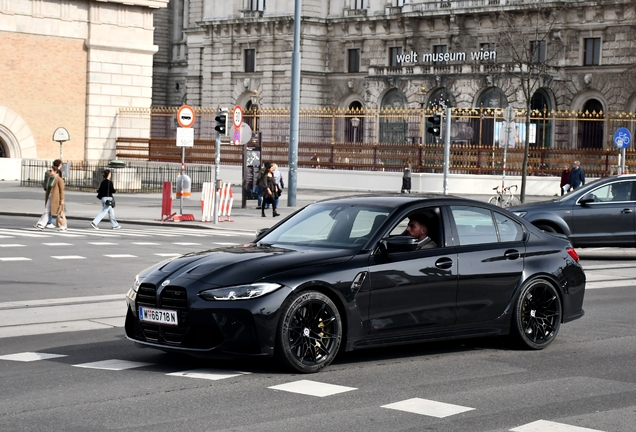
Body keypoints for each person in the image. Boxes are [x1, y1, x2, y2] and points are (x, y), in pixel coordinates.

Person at [34, 166, 66, 231]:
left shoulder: (59, 179)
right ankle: (41, 224)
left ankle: (63, 226)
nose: (49, 172)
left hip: (57, 198)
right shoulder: (50, 178)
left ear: (55, 171)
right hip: (50, 197)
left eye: (51, 171)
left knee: (60, 213)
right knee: (47, 210)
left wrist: (62, 199)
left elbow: (62, 190)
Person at [42, 159, 63, 228]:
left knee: (52, 208)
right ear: (59, 165)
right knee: (50, 208)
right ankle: (48, 222)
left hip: (55, 194)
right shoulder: (53, 173)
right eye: (61, 164)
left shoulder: (58, 173)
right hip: (53, 193)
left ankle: (46, 223)